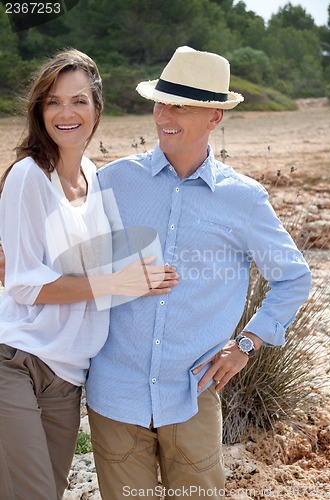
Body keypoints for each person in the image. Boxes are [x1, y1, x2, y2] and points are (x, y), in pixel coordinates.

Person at [85, 46, 312, 499]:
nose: (165, 114)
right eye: (162, 101)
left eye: (182, 105)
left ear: (214, 118)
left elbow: (293, 278)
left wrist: (247, 344)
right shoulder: (111, 182)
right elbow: (80, 266)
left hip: (192, 395)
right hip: (114, 394)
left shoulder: (243, 198)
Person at [0, 49, 178, 500]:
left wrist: (142, 275)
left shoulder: (94, 177)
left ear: (97, 110)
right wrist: (118, 283)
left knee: (49, 489)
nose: (66, 112)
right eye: (53, 102)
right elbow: (23, 283)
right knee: (34, 493)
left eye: (78, 101)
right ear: (39, 111)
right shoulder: (28, 175)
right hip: (14, 360)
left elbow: (87, 264)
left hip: (70, 374)